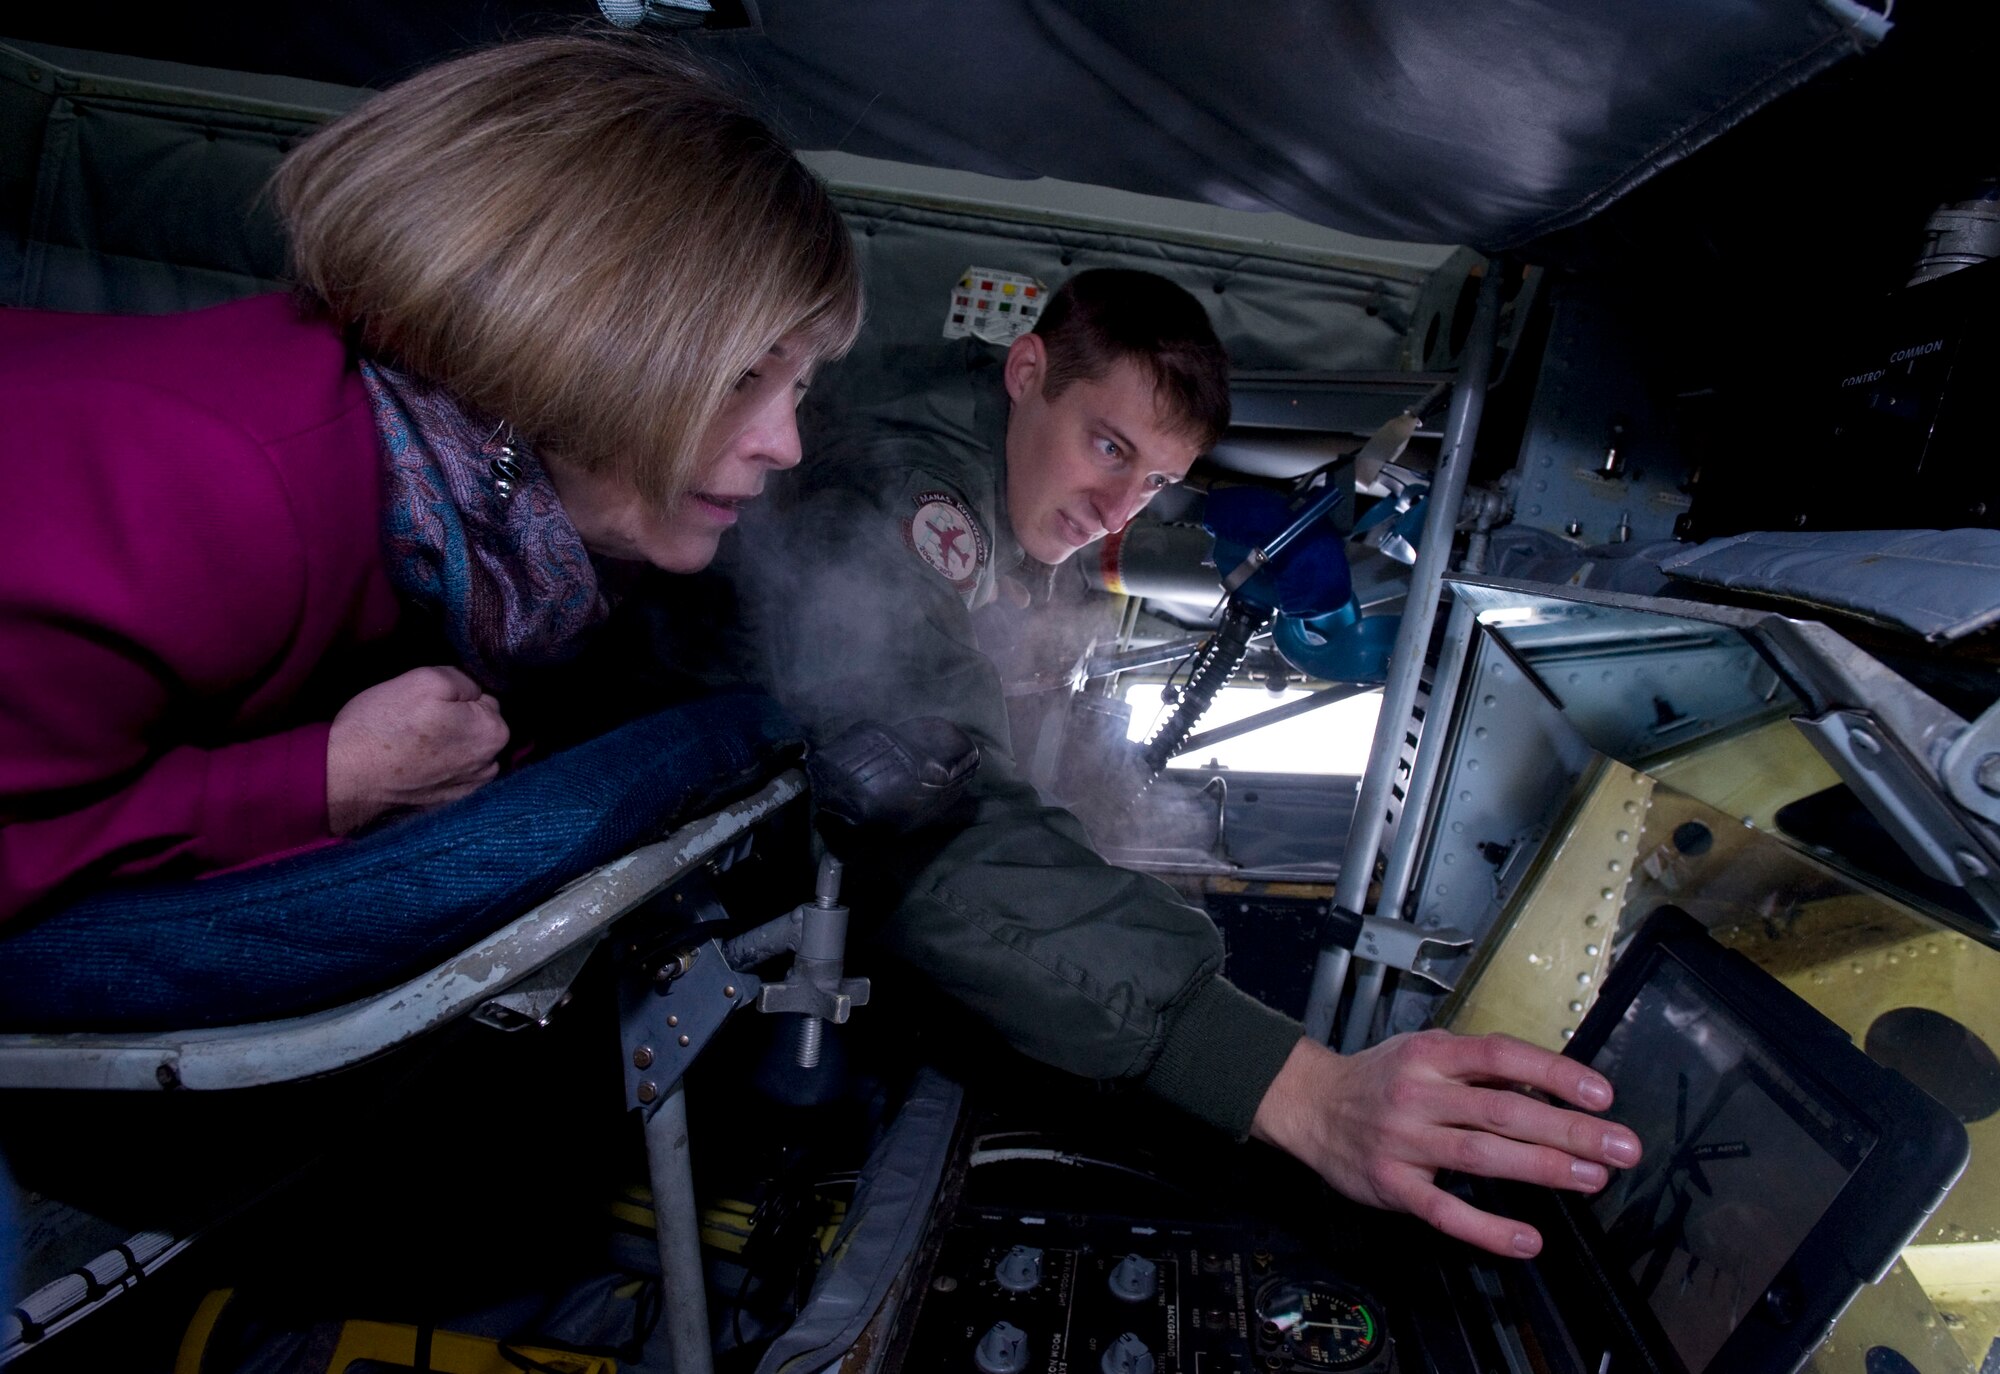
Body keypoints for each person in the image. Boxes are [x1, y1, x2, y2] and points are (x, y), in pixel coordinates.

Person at [705, 268, 1640, 1259]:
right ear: (1027, 371)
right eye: (1107, 448)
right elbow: (926, 817)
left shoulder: (1005, 467)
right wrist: (1301, 1091)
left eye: (1152, 482)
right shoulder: (905, 486)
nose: (1115, 511)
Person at [0, 34, 861, 926]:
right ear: (558, 340)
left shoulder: (516, 523)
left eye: (800, 386)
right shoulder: (204, 484)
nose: (786, 444)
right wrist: (319, 784)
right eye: (739, 379)